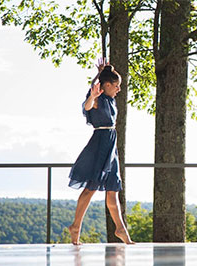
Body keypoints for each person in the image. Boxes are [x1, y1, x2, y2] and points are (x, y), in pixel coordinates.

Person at [68, 58, 134, 245]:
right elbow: (87, 105)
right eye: (116, 86)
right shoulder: (97, 99)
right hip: (100, 146)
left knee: (113, 189)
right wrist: (92, 96)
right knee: (91, 188)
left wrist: (100, 72)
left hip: (111, 147)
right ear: (106, 85)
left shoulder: (111, 100)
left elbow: (97, 84)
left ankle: (121, 229)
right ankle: (76, 226)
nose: (119, 89)